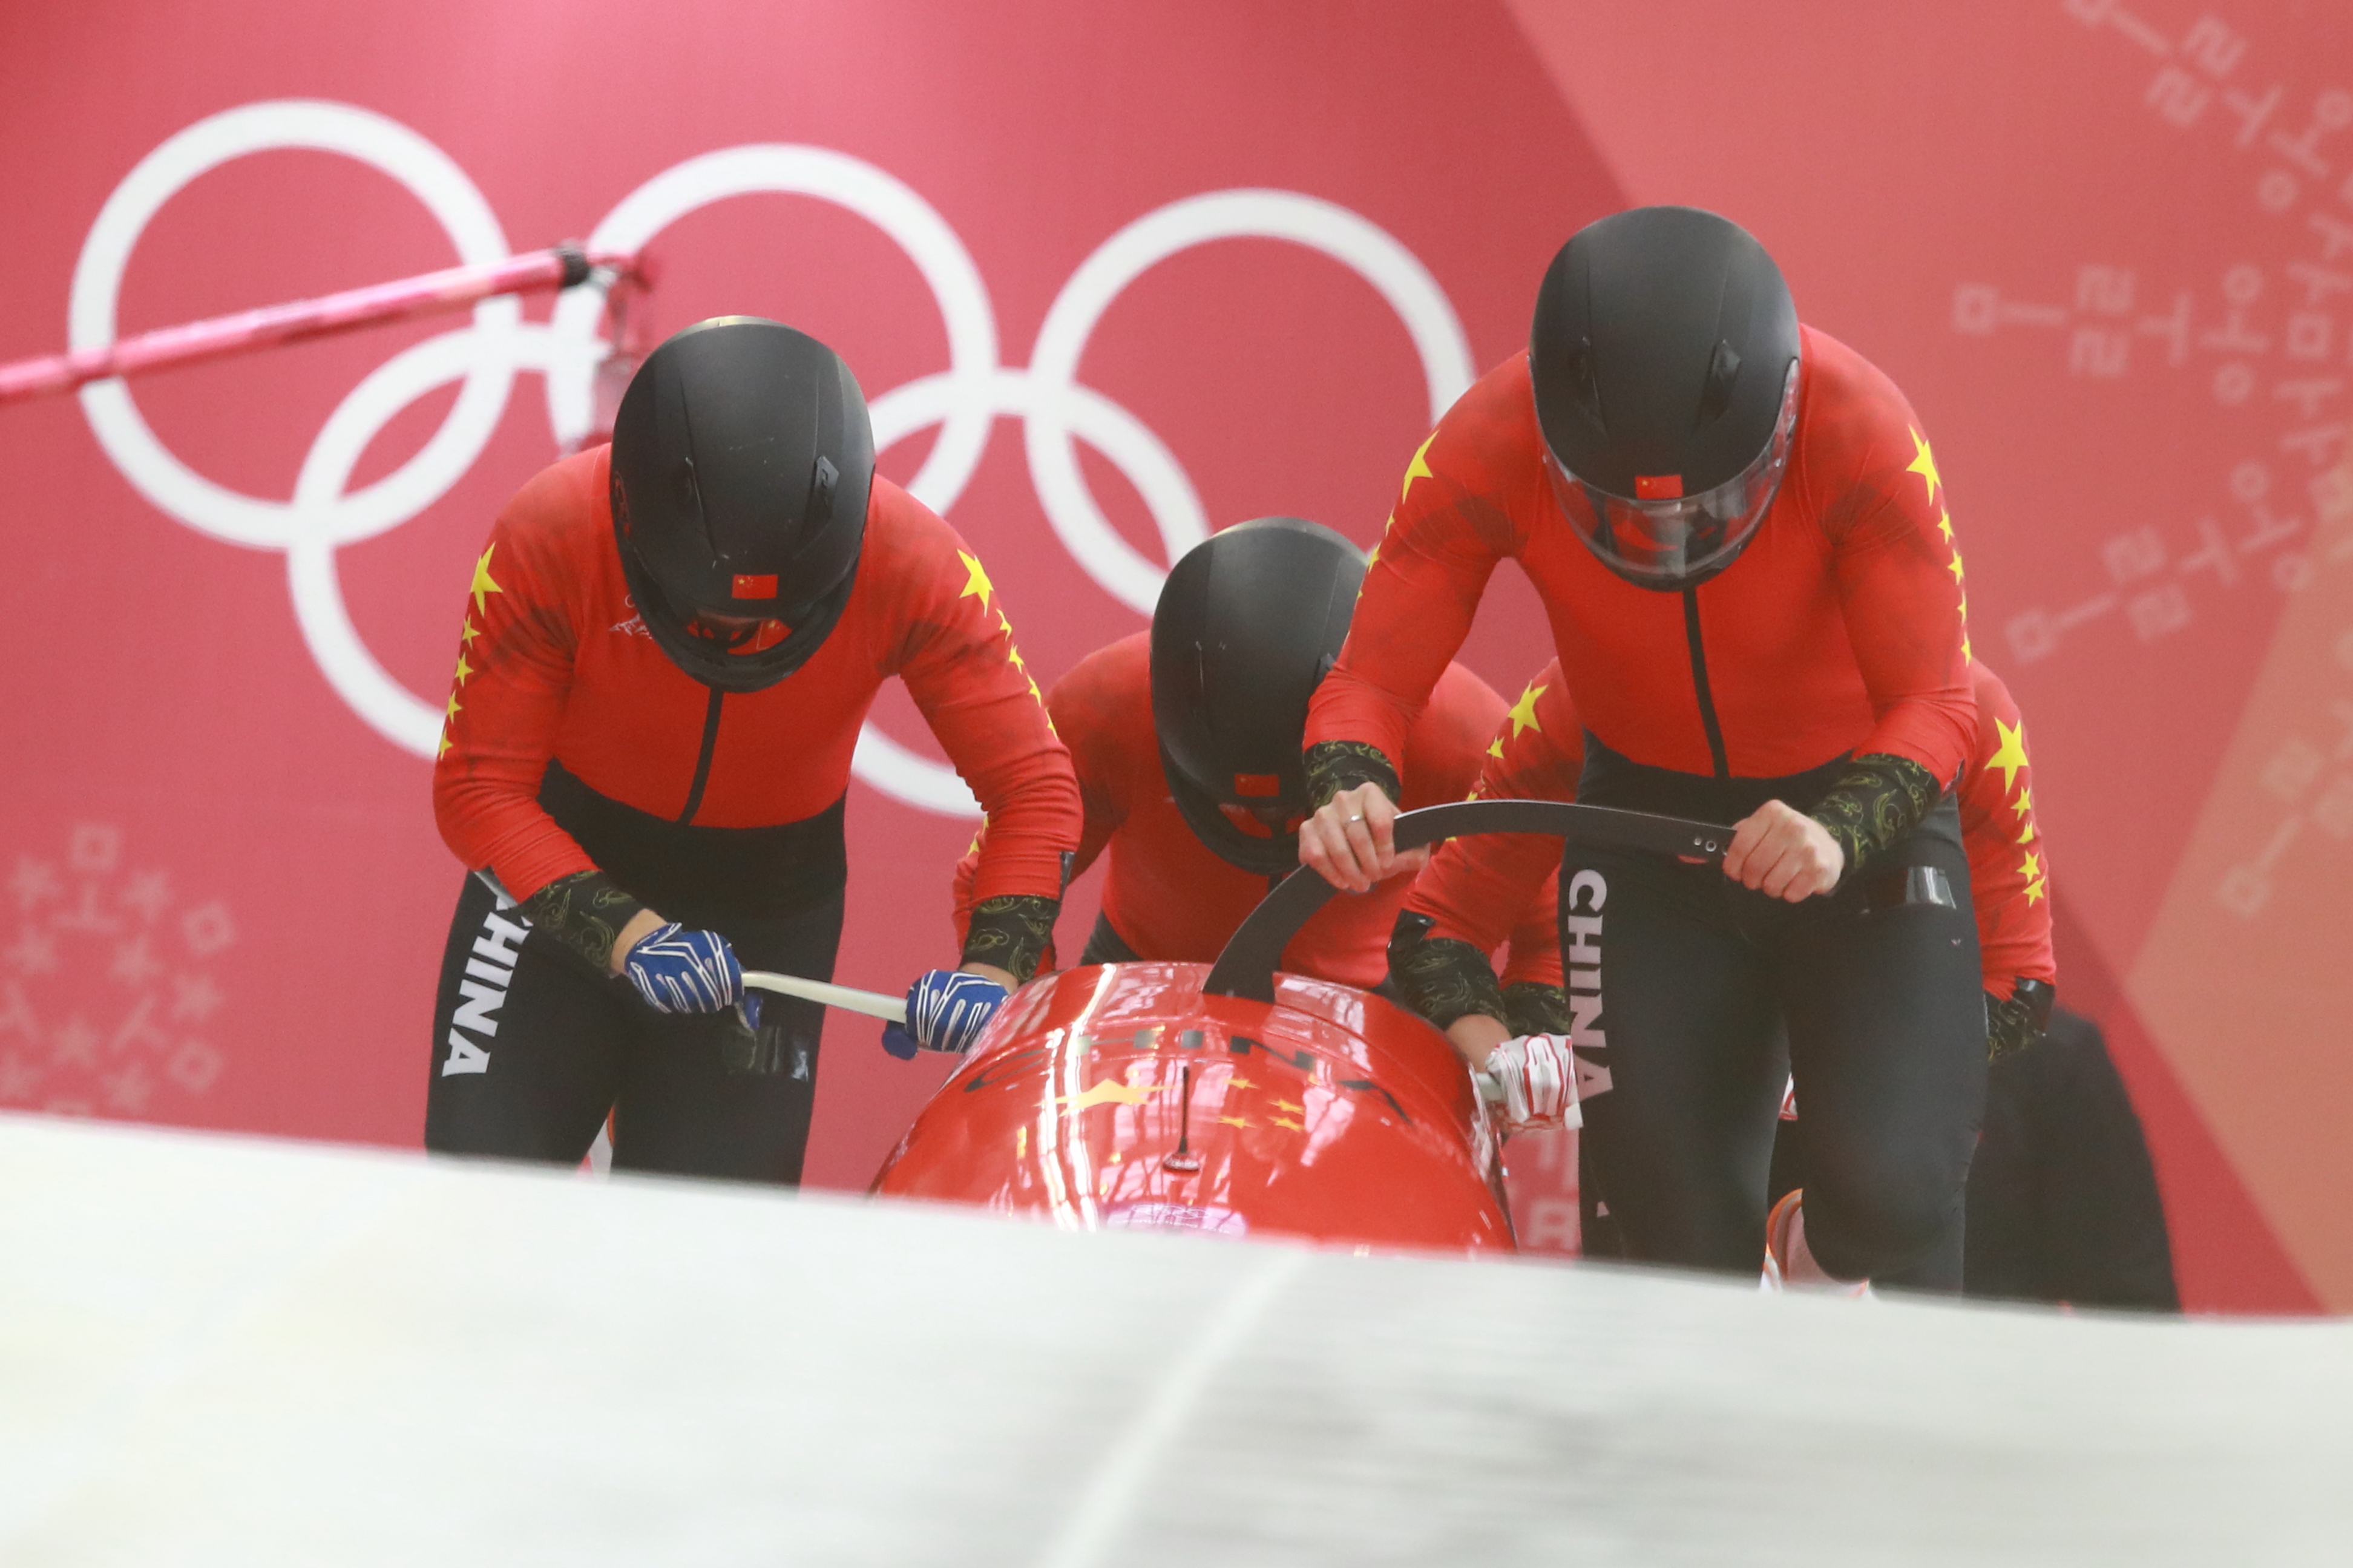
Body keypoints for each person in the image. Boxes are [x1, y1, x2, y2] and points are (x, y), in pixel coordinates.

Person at [1299, 206, 1983, 1290]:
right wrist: (1347, 780)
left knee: (1894, 1198)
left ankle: (1815, 1254)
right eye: (1614, 512)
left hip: (1849, 822)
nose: (1666, 541)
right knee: (1665, 1240)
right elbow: (1369, 678)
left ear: (1781, 416)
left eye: (1711, 507)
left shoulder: (1863, 431)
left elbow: (1939, 706)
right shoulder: (1487, 440)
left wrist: (1836, 830)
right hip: (1642, 828)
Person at [428, 317, 1080, 1183]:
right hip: (555, 891)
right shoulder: (552, 530)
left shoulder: (917, 565)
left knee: (710, 1254)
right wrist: (624, 931)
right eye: (707, 617)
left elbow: (1034, 787)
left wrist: (995, 970)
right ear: (633, 522)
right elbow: (479, 787)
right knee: (479, 1203)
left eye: (774, 620)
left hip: (766, 910)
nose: (739, 639)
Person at [953, 517, 1554, 992]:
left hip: (1369, 993)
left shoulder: (1461, 731)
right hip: (1143, 965)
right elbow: (1002, 870)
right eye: (1232, 806)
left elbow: (1547, 905)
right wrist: (1014, 998)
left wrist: (1529, 1033)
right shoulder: (1105, 705)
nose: (1262, 822)